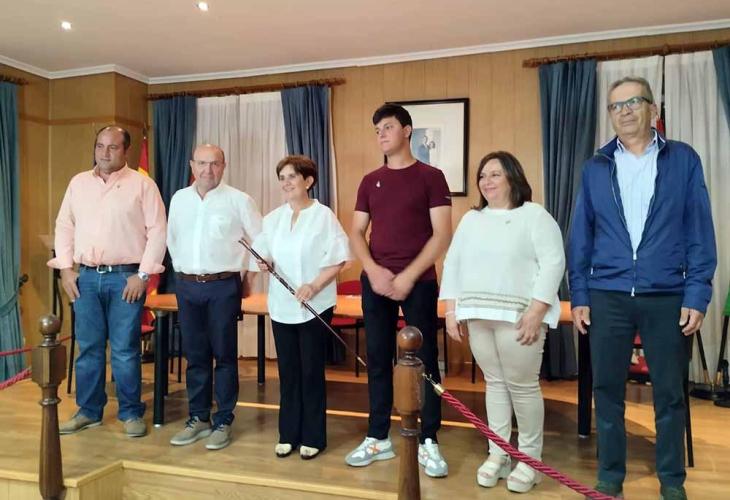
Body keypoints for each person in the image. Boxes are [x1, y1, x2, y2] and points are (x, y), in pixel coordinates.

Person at [568, 76, 717, 500]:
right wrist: (580, 294)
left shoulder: (683, 159)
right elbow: (581, 236)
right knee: (606, 390)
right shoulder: (595, 167)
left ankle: (671, 480)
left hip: (666, 294)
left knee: (669, 394)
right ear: (610, 115)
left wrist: (697, 293)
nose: (625, 111)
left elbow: (699, 230)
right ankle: (610, 476)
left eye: (634, 102)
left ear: (653, 109)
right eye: (616, 106)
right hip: (607, 295)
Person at [440, 151, 564, 493]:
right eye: (482, 176)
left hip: (519, 317)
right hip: (478, 315)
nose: (487, 181)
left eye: (495, 174)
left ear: (513, 177)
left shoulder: (534, 216)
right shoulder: (472, 219)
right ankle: (499, 453)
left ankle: (530, 460)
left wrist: (537, 311)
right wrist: (451, 310)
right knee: (494, 384)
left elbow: (553, 263)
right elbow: (453, 263)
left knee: (522, 387)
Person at [346, 103, 452, 477]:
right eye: (377, 130)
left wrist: (408, 276)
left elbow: (442, 234)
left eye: (388, 127)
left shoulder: (431, 177)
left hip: (418, 282)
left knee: (424, 360)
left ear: (407, 131)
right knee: (377, 358)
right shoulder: (369, 181)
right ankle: (378, 436)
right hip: (376, 281)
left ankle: (428, 439)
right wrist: (373, 271)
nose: (381, 134)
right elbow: (356, 232)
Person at [49, 125, 167, 437]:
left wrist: (143, 275)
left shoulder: (142, 185)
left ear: (126, 150)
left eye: (112, 147)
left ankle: (130, 412)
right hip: (85, 278)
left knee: (125, 349)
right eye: (100, 146)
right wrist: (66, 269)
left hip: (126, 279)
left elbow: (158, 231)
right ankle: (89, 411)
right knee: (88, 348)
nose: (104, 153)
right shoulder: (78, 183)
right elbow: (64, 226)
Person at [249, 155, 351, 460]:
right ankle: (288, 434)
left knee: (310, 372)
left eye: (292, 176)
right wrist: (263, 262)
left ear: (308, 180)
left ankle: (314, 436)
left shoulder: (323, 216)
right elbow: (263, 253)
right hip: (282, 306)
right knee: (288, 372)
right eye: (282, 178)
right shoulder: (272, 219)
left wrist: (314, 285)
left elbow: (338, 258)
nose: (286, 183)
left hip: (315, 305)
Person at [167, 144, 262, 451]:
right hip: (187, 286)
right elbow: (172, 239)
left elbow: (261, 241)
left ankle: (223, 420)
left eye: (215, 164)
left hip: (223, 286)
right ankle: (198, 418)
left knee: (224, 355)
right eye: (202, 163)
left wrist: (249, 278)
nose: (208, 170)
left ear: (224, 166)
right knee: (195, 356)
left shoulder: (239, 200)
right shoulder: (179, 199)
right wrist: (182, 272)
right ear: (192, 165)